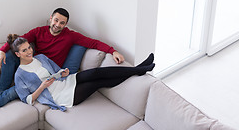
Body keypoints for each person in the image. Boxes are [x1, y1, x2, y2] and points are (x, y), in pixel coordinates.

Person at [0, 8, 126, 119]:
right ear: (50, 19)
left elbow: (93, 43)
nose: (58, 25)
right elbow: (19, 41)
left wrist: (113, 51)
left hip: (48, 72)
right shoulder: (38, 31)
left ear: (65, 24)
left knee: (11, 94)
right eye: (56, 20)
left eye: (62, 23)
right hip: (32, 70)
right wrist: (2, 49)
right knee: (9, 66)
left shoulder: (71, 36)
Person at [12, 35, 155, 110]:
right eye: (24, 50)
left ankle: (139, 69)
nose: (29, 51)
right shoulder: (19, 75)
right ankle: (139, 70)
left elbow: (57, 71)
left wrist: (63, 72)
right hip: (62, 96)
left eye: (29, 48)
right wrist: (42, 87)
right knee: (97, 83)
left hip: (66, 81)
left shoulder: (40, 58)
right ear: (18, 54)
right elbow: (28, 100)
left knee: (95, 73)